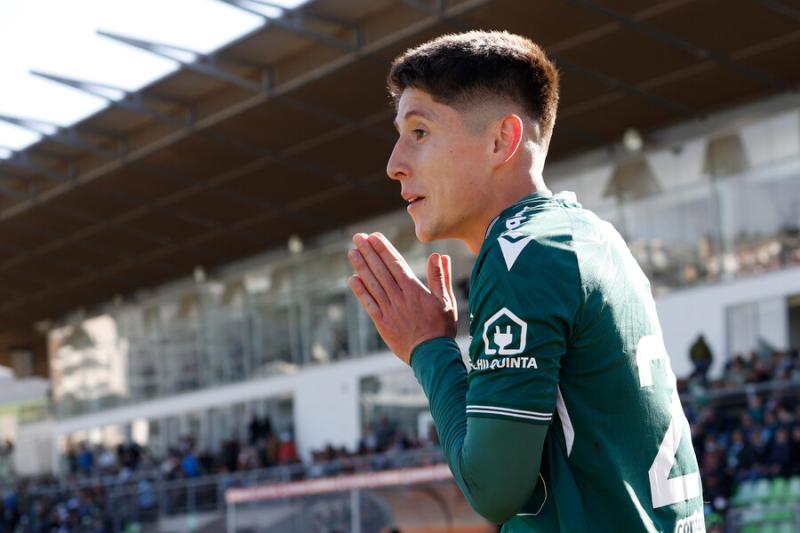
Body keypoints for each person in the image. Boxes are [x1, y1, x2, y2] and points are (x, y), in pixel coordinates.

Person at [346, 31, 704, 531]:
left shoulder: (523, 253)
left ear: (501, 140)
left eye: (420, 132)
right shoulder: (588, 234)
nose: (394, 164)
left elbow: (494, 490)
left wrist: (428, 348)